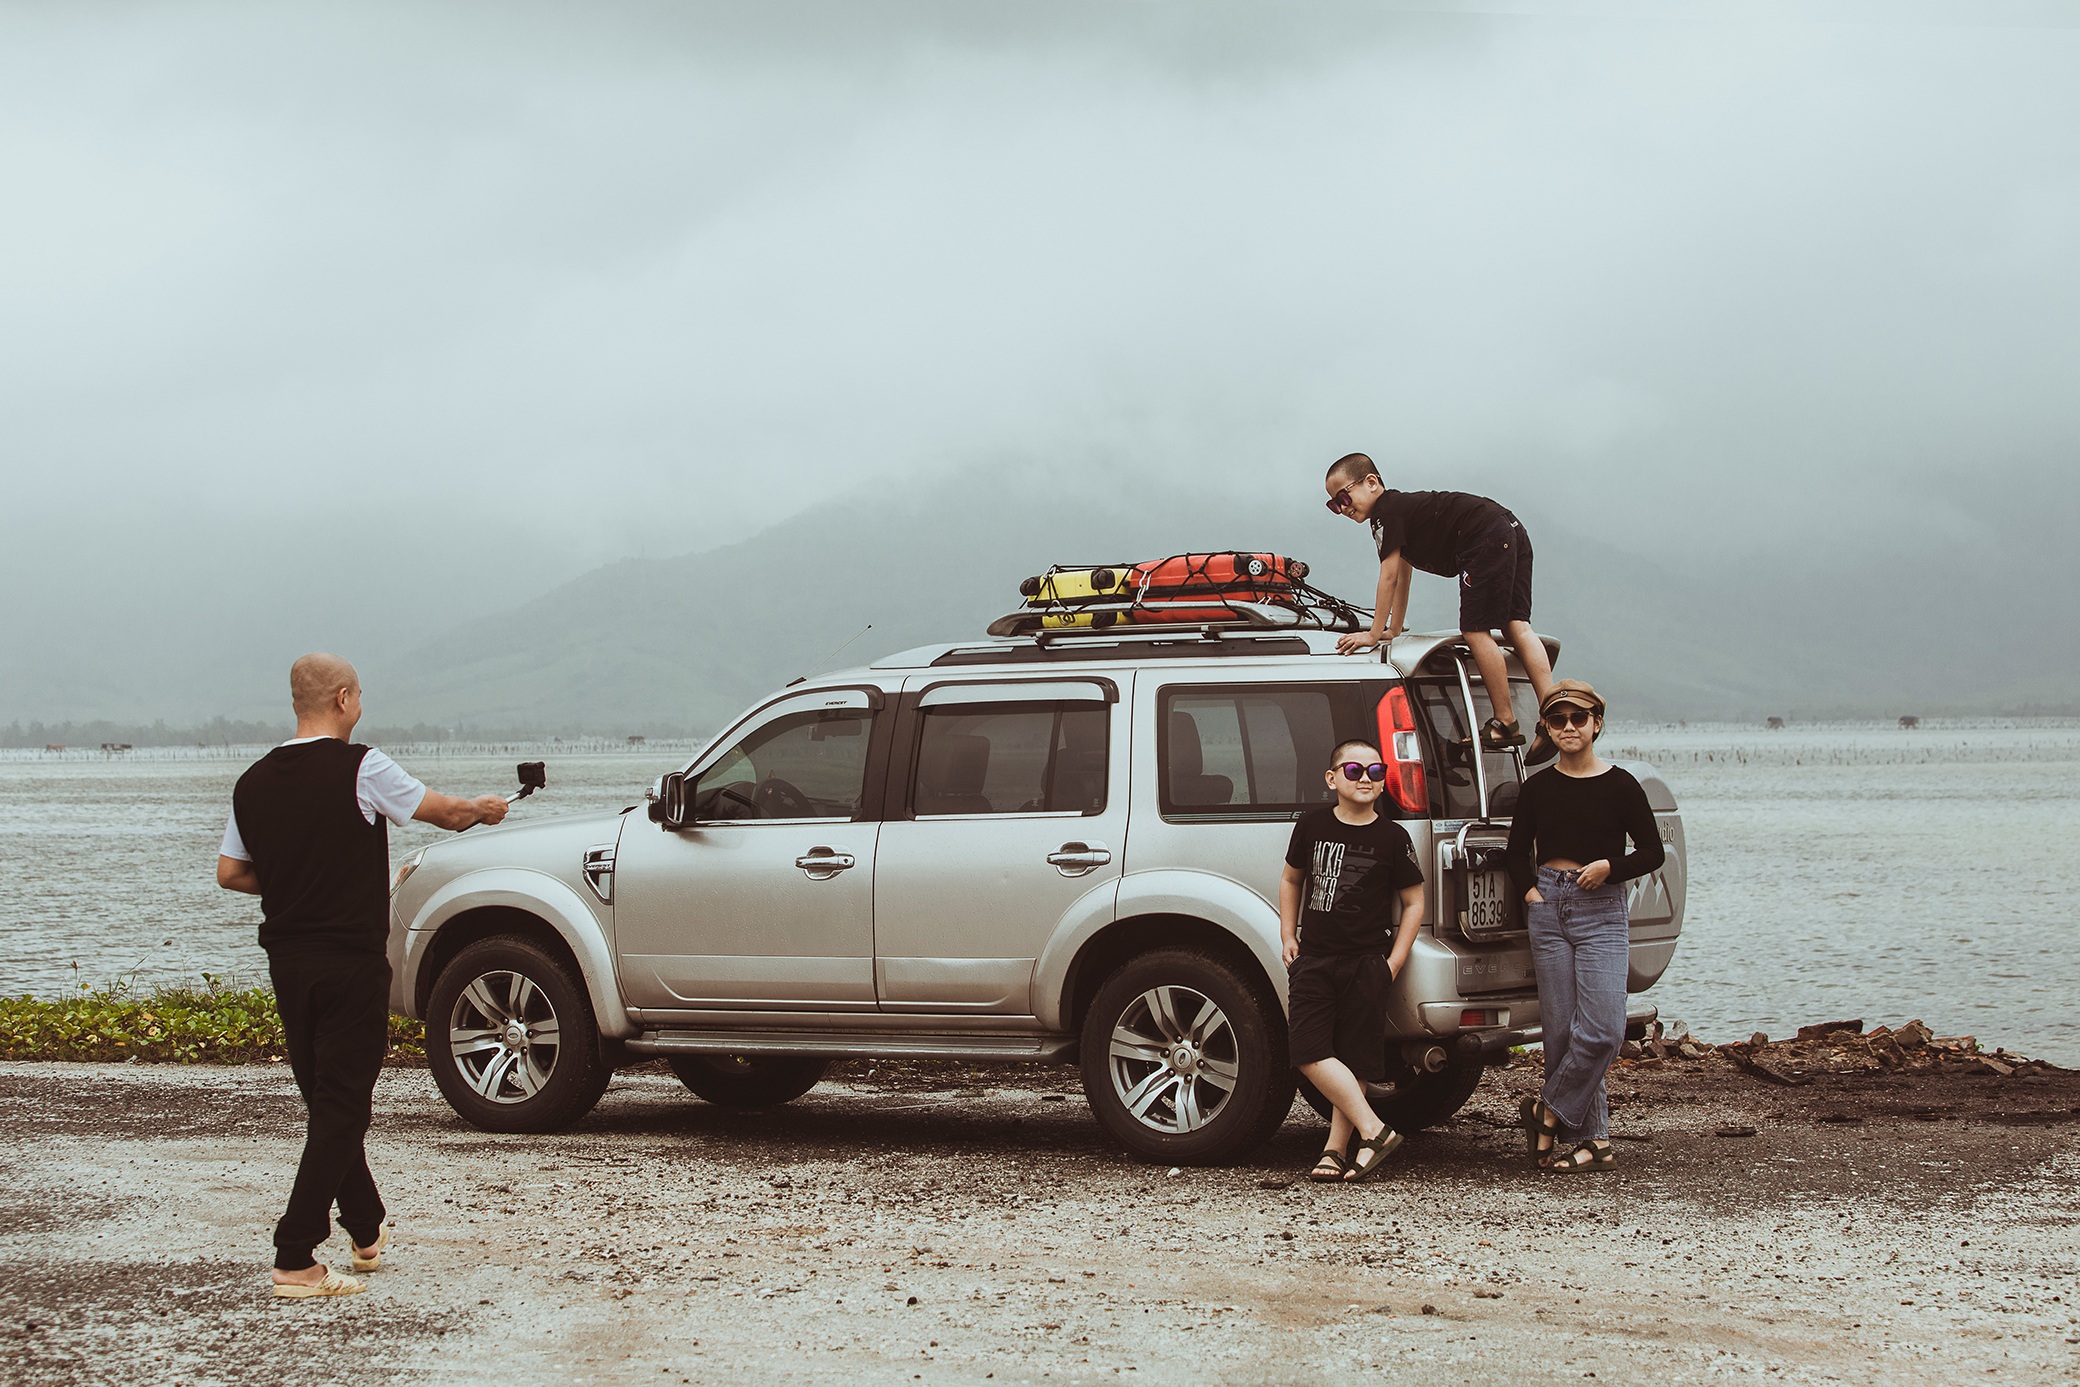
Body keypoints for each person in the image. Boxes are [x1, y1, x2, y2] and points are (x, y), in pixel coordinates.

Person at [216, 653, 510, 1297]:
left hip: (288, 963)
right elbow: (447, 813)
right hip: (349, 960)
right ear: (344, 698)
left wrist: (297, 881)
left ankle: (366, 1225)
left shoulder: (252, 781)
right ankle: (294, 1254)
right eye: (360, 696)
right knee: (345, 1104)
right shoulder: (363, 766)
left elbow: (231, 874)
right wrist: (487, 808)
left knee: (329, 1099)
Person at [1504, 680, 1665, 1172]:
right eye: (1558, 720)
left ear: (1597, 724)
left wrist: (1609, 868)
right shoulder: (1539, 786)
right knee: (1559, 1033)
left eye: (1578, 719)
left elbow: (1652, 852)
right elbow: (1515, 852)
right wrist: (1532, 895)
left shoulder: (1621, 785)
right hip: (1549, 906)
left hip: (1601, 909)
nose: (1569, 727)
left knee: (1604, 1030)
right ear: (1548, 729)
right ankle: (1594, 1138)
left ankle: (1547, 1112)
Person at [1323, 453, 1556, 759]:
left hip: (1483, 535)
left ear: (1371, 482)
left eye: (1343, 496)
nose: (1342, 509)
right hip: (1508, 528)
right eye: (1333, 505)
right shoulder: (1400, 512)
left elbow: (1389, 576)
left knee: (1475, 631)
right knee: (1516, 627)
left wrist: (1372, 633)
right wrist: (1393, 629)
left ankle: (1505, 722)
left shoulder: (1386, 513)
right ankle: (1554, 713)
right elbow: (1404, 574)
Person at [1280, 738, 1427, 1183]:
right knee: (1307, 1050)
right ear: (1332, 779)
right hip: (1315, 958)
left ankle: (1334, 1149)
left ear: (1383, 783)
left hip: (1367, 962)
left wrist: (1394, 962)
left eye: (1375, 772)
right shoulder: (1311, 825)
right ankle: (1375, 1130)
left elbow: (1414, 903)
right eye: (1353, 770)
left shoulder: (1392, 837)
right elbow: (1291, 879)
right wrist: (1288, 932)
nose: (1365, 778)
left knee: (1356, 1058)